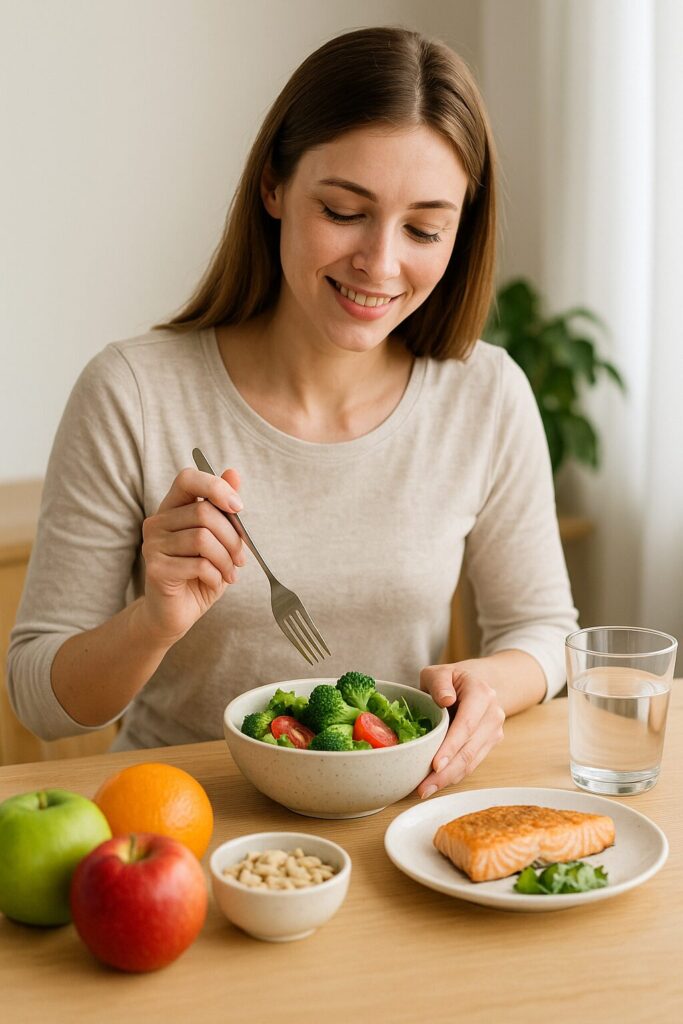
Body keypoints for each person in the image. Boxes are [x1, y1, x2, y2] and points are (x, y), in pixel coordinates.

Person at [7, 26, 577, 798]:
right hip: (184, 820)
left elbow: (544, 633)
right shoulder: (132, 392)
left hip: (390, 821)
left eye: (423, 229)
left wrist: (491, 686)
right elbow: (41, 702)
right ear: (273, 186)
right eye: (344, 210)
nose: (379, 264)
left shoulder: (485, 394)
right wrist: (155, 620)